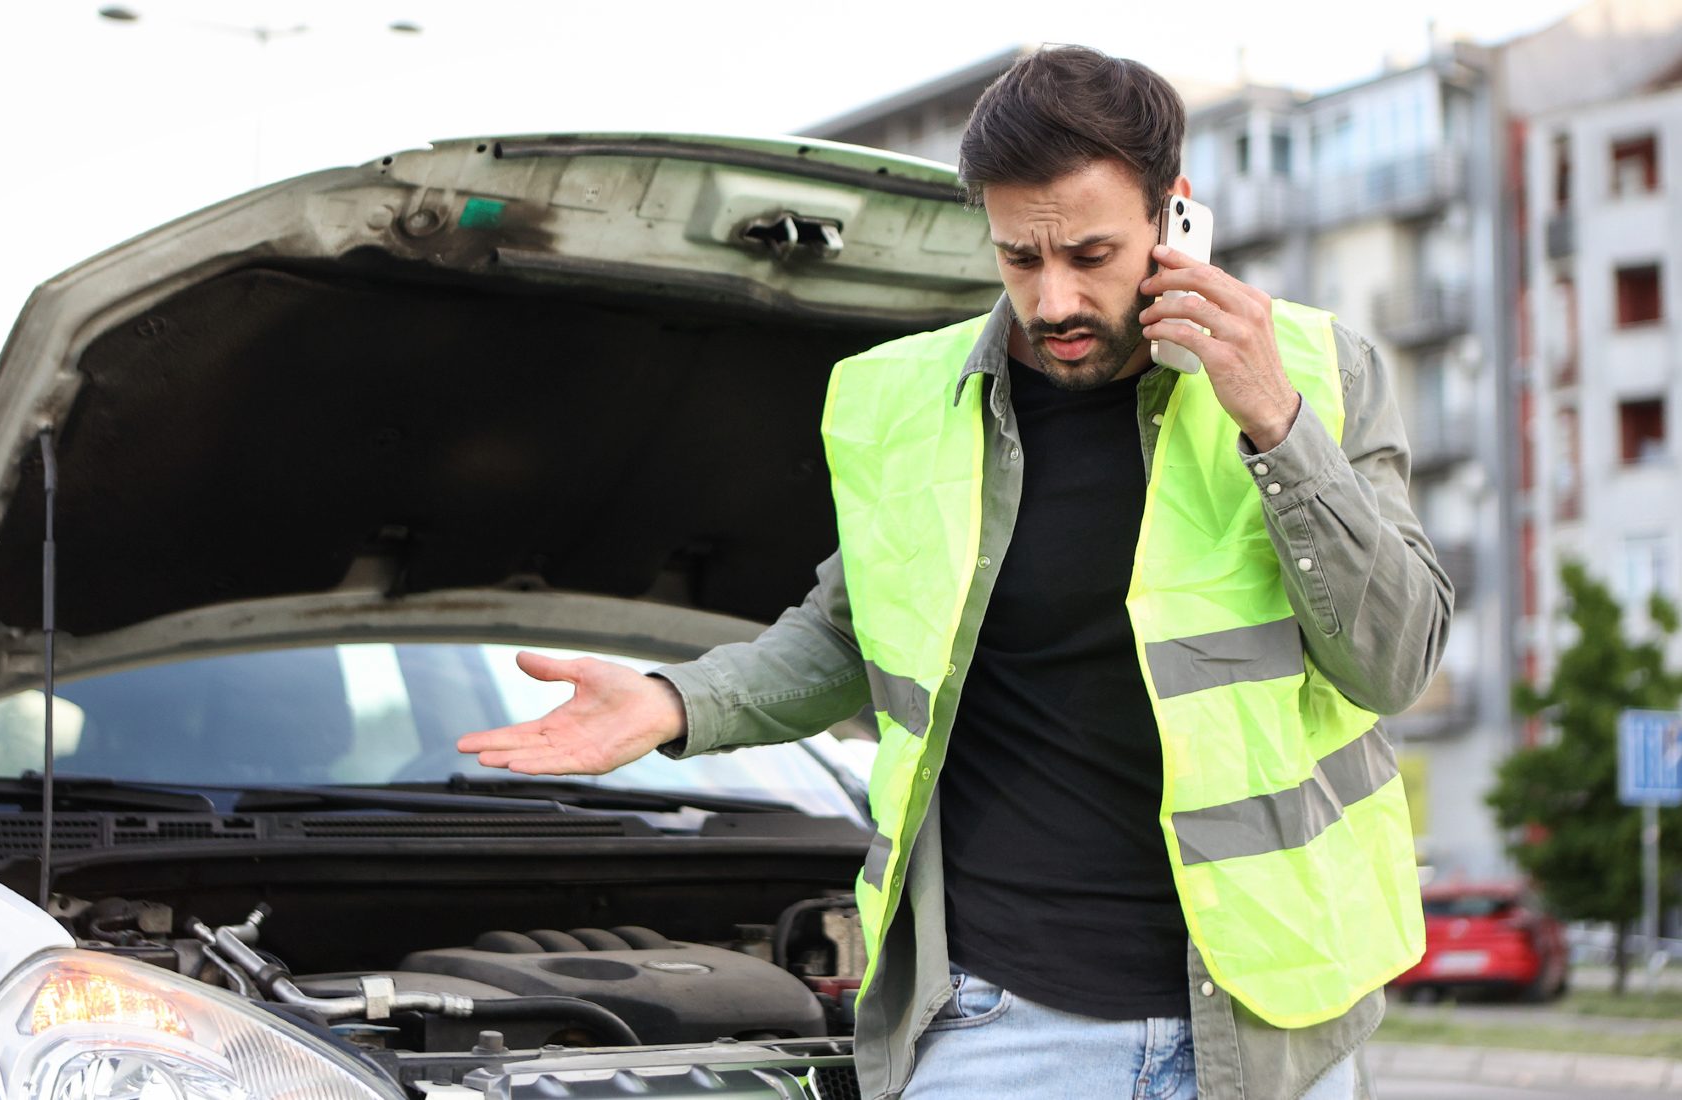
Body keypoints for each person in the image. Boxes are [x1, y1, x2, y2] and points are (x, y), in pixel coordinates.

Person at [458, 45, 1450, 1100]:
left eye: (1093, 254)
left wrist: (1276, 424)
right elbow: (848, 632)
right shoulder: (904, 403)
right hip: (1008, 1020)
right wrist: (674, 699)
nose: (1054, 297)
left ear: (1177, 215)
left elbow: (1395, 661)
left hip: (1277, 1020)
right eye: (1021, 258)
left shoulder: (1320, 374)